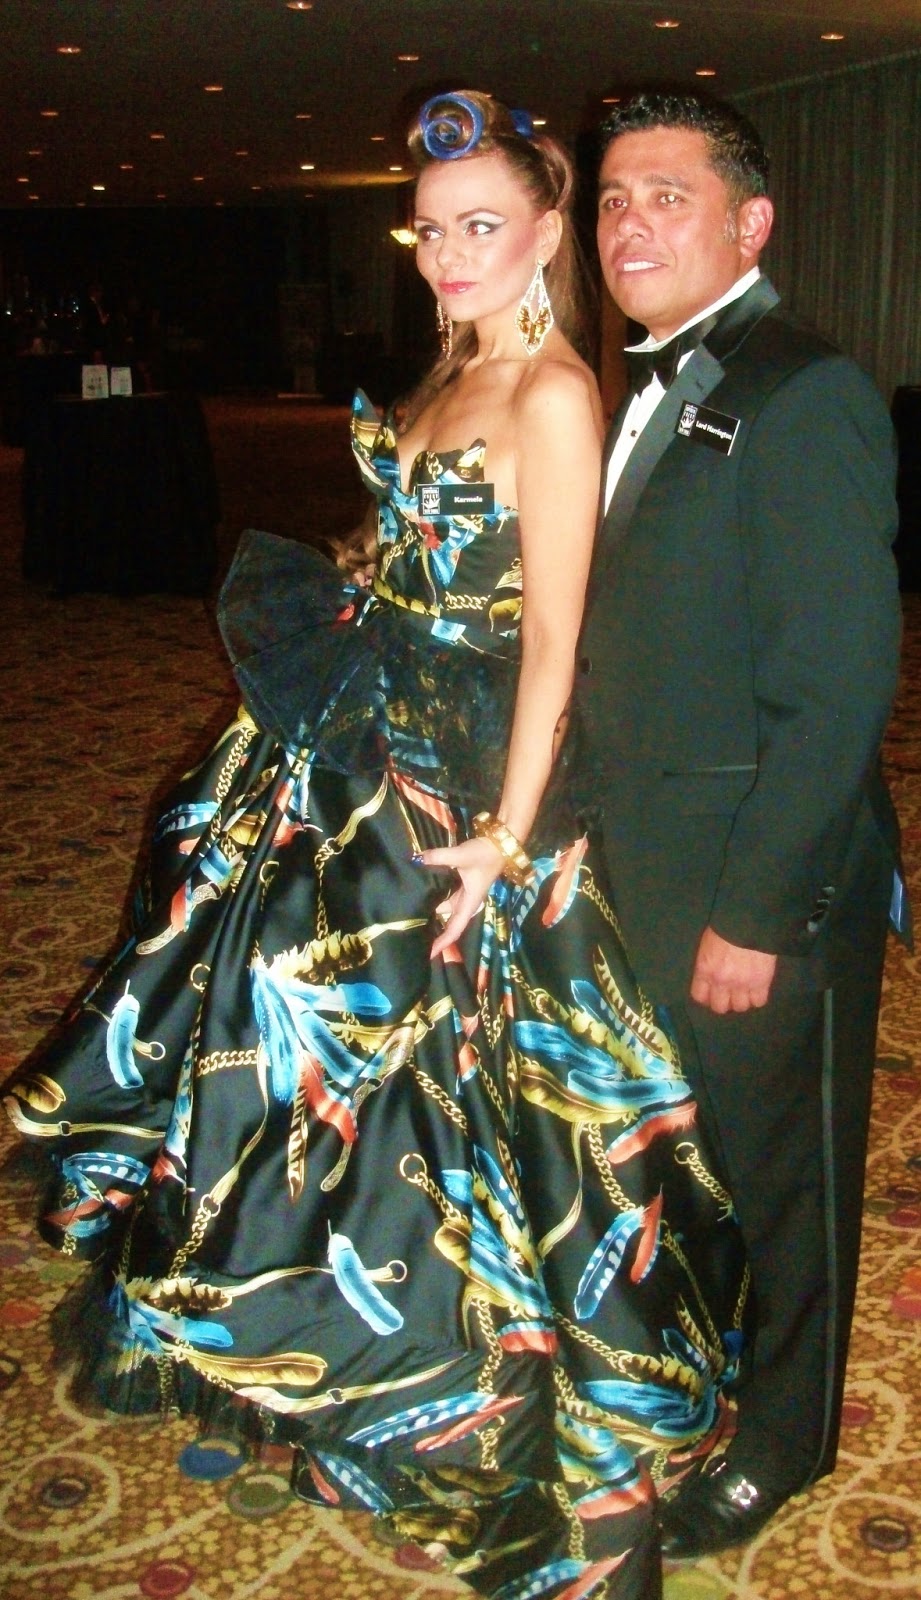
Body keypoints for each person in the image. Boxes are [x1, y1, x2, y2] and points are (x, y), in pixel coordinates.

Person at [3, 92, 749, 1599]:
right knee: (307, 1069)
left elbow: (555, 644)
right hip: (357, 765)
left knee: (460, 1106)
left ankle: (520, 1423)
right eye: (428, 229)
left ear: (547, 232)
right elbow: (412, 550)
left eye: (482, 226)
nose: (447, 254)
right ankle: (311, 1348)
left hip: (463, 799)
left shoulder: (552, 393)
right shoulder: (453, 367)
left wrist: (508, 841)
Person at [574, 89, 905, 1560]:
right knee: (687, 1147)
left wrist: (757, 913)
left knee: (785, 1176)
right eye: (611, 200)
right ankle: (701, 1366)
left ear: (750, 224)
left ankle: (787, 1437)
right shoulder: (642, 383)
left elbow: (835, 690)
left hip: (761, 880)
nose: (628, 223)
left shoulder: (804, 390)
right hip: (644, 854)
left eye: (667, 195)